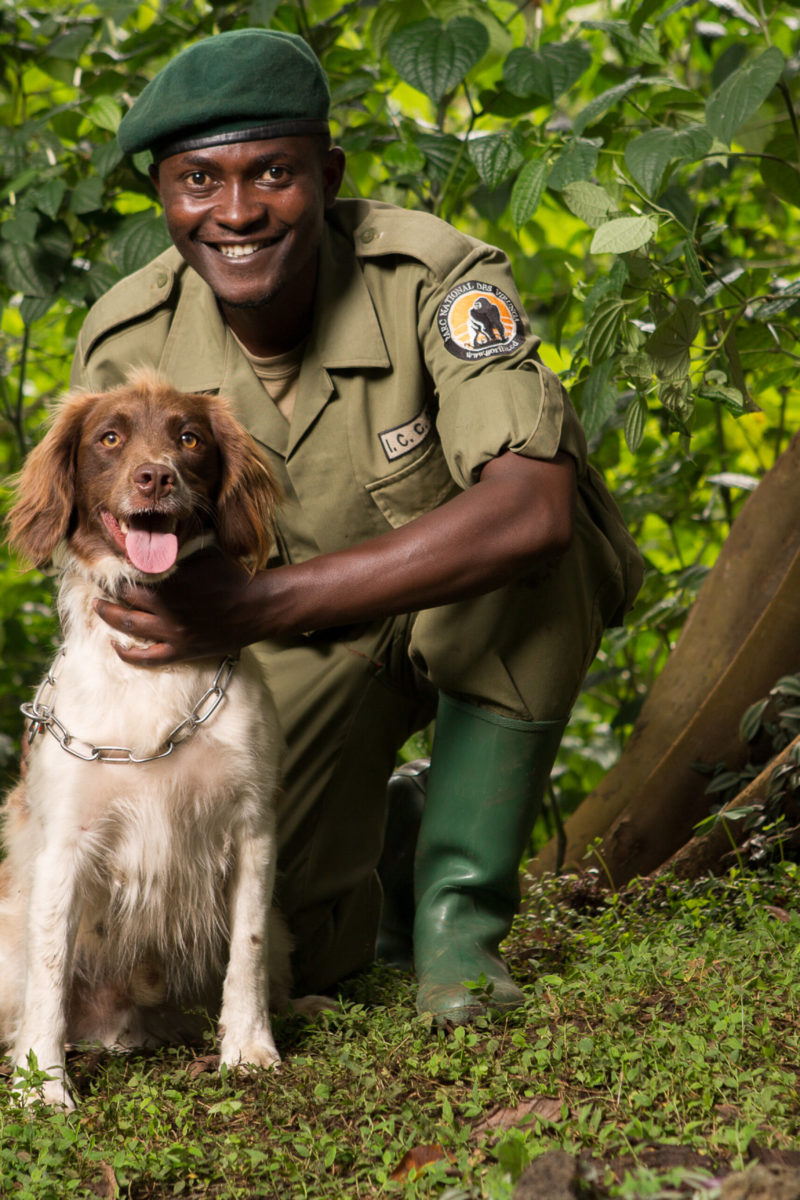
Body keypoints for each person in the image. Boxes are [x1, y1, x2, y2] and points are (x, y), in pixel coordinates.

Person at [70, 28, 643, 1024]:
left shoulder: (431, 277)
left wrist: (257, 600)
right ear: (162, 198)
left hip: (442, 611)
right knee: (278, 931)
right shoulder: (130, 339)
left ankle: (457, 926)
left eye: (274, 174)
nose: (237, 212)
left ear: (327, 175)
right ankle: (394, 841)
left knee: (544, 554)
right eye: (197, 181)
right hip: (280, 651)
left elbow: (532, 510)